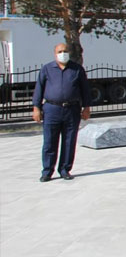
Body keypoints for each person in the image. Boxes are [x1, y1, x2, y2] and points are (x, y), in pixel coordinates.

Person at [32, 43, 91, 181]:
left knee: (69, 141)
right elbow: (39, 88)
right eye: (60, 51)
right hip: (52, 109)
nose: (62, 53)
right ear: (55, 53)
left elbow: (85, 90)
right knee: (49, 142)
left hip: (72, 110)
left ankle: (65, 169)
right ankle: (47, 171)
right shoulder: (47, 69)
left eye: (65, 51)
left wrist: (86, 107)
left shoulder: (77, 69)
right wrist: (36, 108)